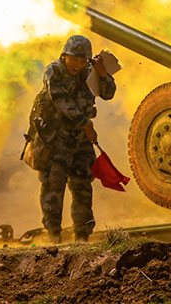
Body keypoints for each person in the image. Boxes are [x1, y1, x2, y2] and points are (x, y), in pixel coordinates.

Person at [26, 35, 116, 243]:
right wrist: (86, 123)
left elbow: (109, 93)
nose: (77, 65)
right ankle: (54, 236)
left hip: (79, 138)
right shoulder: (54, 71)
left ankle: (82, 236)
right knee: (53, 186)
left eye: (82, 61)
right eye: (74, 59)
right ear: (64, 56)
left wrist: (103, 73)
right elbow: (62, 101)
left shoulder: (88, 72)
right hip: (55, 137)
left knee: (83, 185)